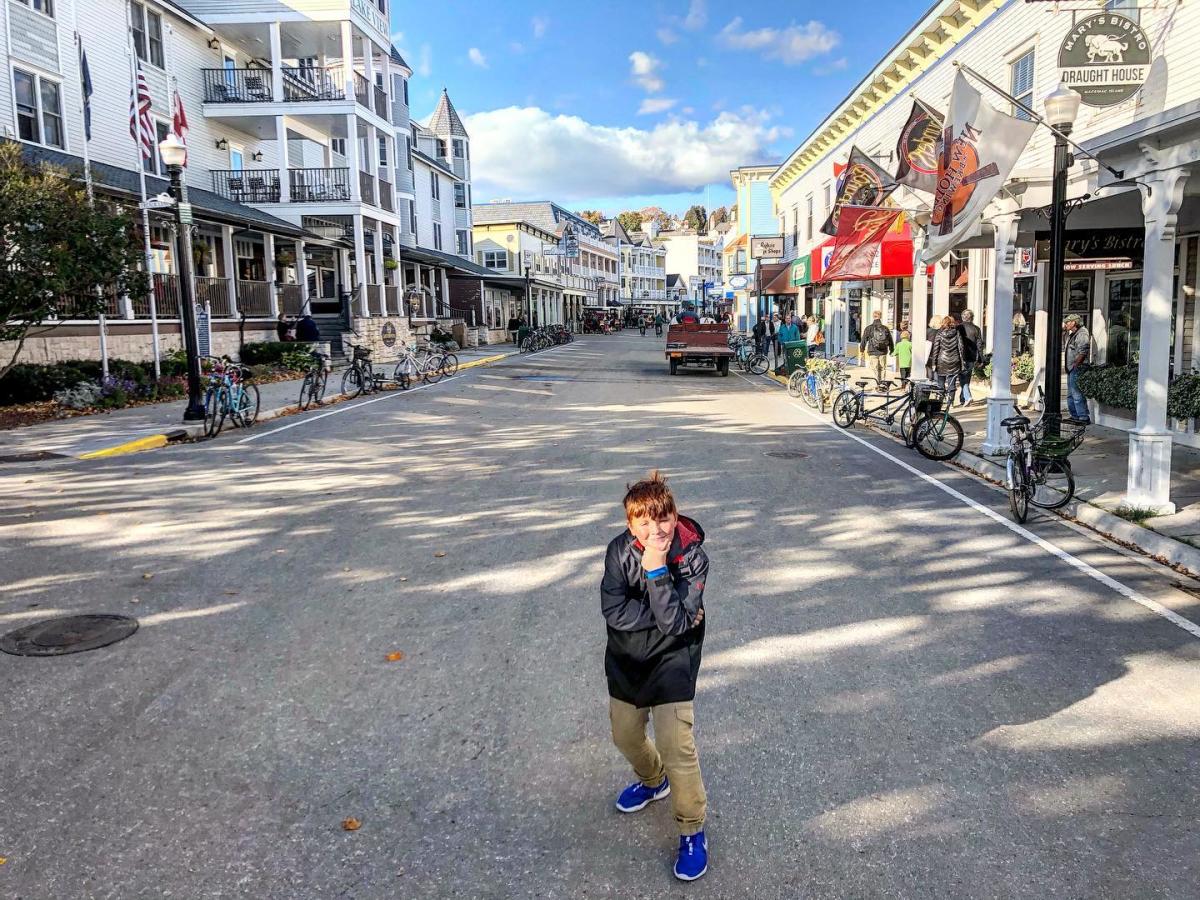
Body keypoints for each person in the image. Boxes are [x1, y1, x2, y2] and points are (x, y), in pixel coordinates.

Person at [601, 471, 709, 882]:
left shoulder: (693, 556)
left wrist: (656, 569)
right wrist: (671, 618)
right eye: (643, 523)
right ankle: (652, 780)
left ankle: (692, 828)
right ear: (631, 526)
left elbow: (678, 627)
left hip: (673, 660)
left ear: (674, 514)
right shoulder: (617, 551)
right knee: (625, 735)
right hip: (627, 658)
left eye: (662, 519)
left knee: (677, 746)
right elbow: (614, 611)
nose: (655, 530)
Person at [928, 315, 966, 400]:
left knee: (940, 382)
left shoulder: (940, 333)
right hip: (954, 361)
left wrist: (934, 363)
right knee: (951, 383)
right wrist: (962, 360)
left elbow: (936, 349)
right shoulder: (957, 332)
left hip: (941, 361)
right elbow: (961, 347)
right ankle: (950, 402)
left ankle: (940, 400)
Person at [1064, 313, 1092, 424]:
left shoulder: (1082, 334)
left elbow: (1083, 351)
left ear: (1074, 322)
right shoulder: (1072, 334)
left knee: (1077, 393)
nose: (1065, 324)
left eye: (1067, 322)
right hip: (1071, 368)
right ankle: (1075, 416)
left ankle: (1083, 417)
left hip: (1077, 368)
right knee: (1070, 394)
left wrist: (1076, 364)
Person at [860, 310, 895, 384]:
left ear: (873, 316)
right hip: (883, 351)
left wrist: (862, 350)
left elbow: (864, 340)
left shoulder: (868, 328)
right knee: (883, 368)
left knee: (874, 369)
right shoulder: (885, 328)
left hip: (872, 351)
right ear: (880, 317)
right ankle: (882, 384)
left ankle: (876, 384)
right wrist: (892, 350)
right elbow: (890, 340)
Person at [958, 310, 982, 406]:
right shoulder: (976, 329)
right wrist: (980, 358)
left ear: (962, 317)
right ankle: (963, 398)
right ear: (972, 317)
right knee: (966, 378)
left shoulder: (958, 327)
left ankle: (967, 397)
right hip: (972, 356)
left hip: (961, 356)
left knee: (962, 378)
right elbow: (979, 344)